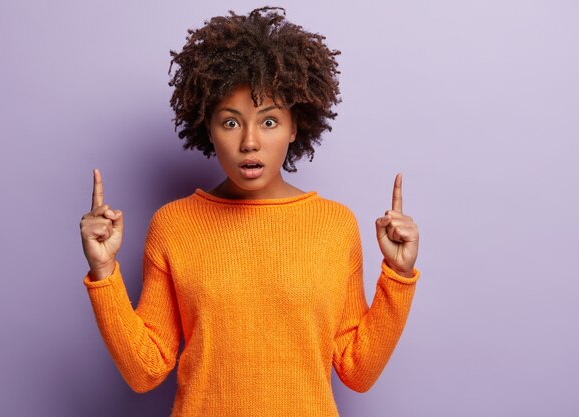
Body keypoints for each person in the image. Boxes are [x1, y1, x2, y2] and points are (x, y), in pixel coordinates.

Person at [79, 6, 420, 416]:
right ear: (208, 127)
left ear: (295, 126)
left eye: (270, 122)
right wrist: (104, 274)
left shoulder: (334, 226)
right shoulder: (174, 225)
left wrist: (398, 277)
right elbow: (145, 371)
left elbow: (357, 371)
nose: (250, 142)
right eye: (231, 122)